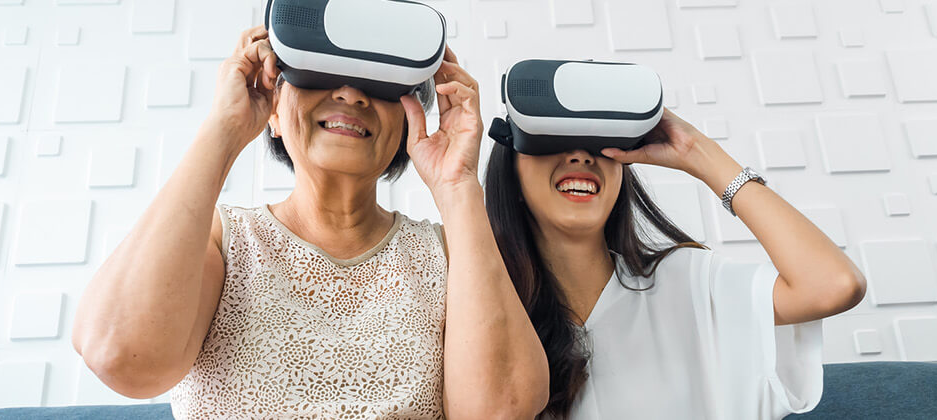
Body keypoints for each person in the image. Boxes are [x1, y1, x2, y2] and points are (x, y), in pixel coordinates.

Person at [71, 26, 549, 419]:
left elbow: (501, 411)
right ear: (273, 109)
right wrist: (223, 129)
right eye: (320, 71)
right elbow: (121, 356)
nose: (349, 92)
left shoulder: (452, 254)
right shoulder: (222, 241)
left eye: (379, 79)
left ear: (407, 122)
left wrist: (457, 184)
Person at [483, 108, 867, 419]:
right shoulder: (486, 314)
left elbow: (834, 284)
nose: (581, 155)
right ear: (511, 170)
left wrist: (697, 152)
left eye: (601, 143)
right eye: (551, 137)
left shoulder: (689, 281)